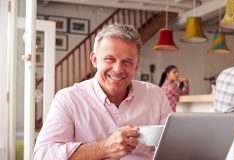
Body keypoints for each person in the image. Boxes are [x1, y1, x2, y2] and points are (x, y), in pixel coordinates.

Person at [33, 24, 171, 160]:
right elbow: (42, 155)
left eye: (127, 62)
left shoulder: (156, 95)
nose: (118, 69)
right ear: (94, 59)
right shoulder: (68, 98)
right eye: (110, 59)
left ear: (136, 66)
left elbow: (174, 144)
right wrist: (104, 148)